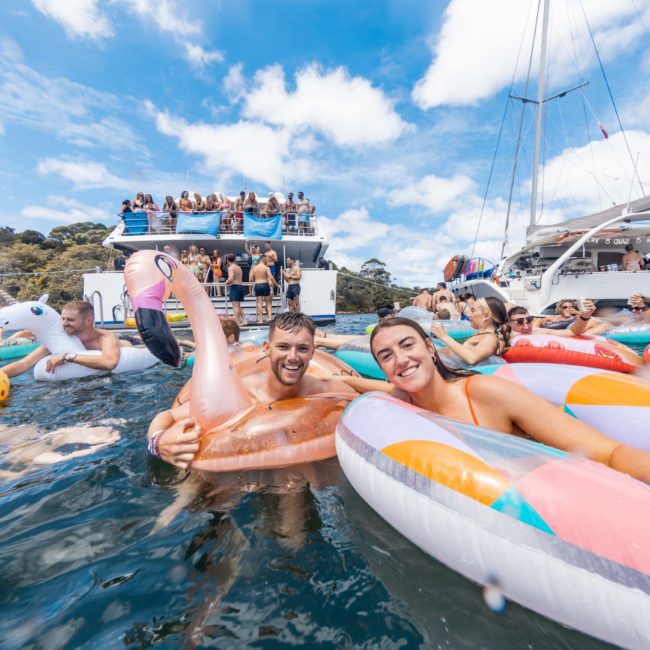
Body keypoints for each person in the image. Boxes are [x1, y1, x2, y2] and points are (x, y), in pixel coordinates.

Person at [336, 317, 650, 484]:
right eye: (387, 356)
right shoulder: (404, 403)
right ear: (383, 369)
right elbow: (369, 388)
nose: (401, 360)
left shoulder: (486, 392)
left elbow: (607, 453)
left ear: (431, 349)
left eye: (408, 345)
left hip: (563, 488)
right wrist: (336, 380)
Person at [147, 313, 358, 468]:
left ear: (313, 352)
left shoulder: (324, 389)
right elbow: (166, 416)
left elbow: (369, 404)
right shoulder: (240, 391)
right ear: (267, 348)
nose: (293, 357)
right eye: (283, 347)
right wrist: (158, 442)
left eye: (302, 348)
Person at [2, 301, 121, 379]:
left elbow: (110, 363)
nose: (64, 323)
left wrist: (66, 357)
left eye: (70, 320)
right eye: (62, 318)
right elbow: (24, 364)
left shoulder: (105, 338)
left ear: (88, 320)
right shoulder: (62, 339)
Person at [430, 296, 508, 365]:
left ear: (486, 316)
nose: (469, 314)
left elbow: (472, 358)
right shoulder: (481, 335)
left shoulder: (490, 338)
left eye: (473, 310)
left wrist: (444, 336)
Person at [506, 301, 596, 337]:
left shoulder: (537, 332)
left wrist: (585, 316)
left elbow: (572, 332)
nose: (526, 327)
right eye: (520, 322)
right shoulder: (504, 337)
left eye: (529, 321)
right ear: (508, 324)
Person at [250, 256, 279, 323]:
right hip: (265, 285)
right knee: (268, 303)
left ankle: (260, 320)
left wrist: (257, 278)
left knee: (259, 303)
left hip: (257, 285)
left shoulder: (254, 268)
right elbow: (271, 278)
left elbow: (251, 279)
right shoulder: (266, 268)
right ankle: (270, 318)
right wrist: (276, 285)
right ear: (264, 260)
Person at [225, 253, 246, 326]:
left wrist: (226, 282)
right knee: (237, 306)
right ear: (235, 259)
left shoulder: (231, 268)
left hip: (235, 287)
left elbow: (231, 278)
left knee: (236, 306)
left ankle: (237, 323)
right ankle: (244, 320)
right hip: (240, 286)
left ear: (227, 260)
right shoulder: (238, 267)